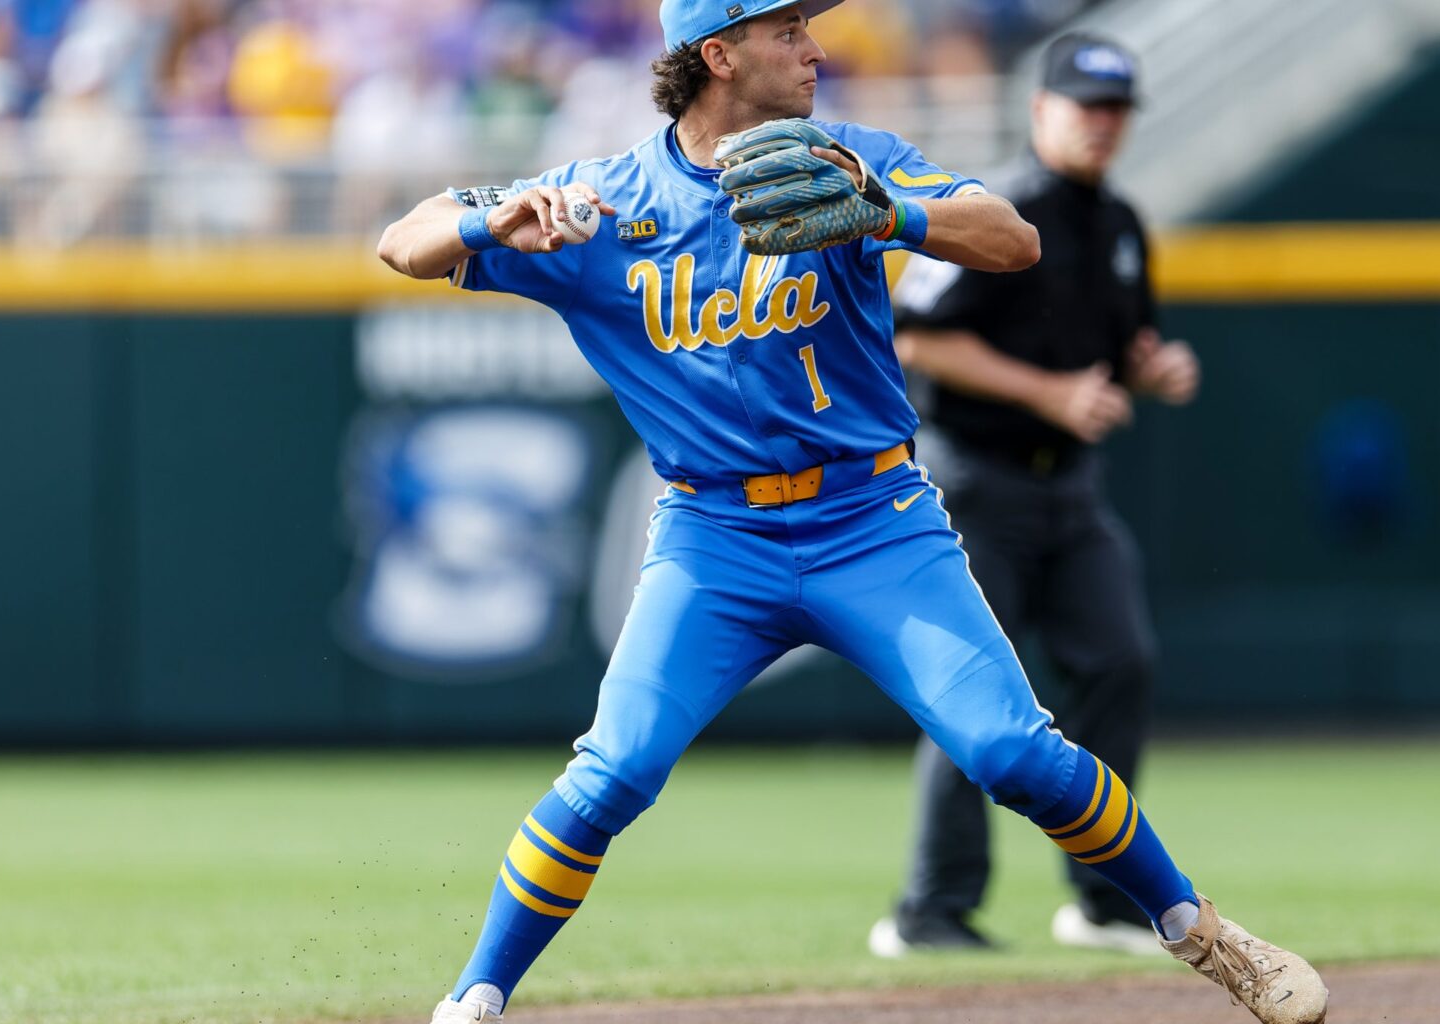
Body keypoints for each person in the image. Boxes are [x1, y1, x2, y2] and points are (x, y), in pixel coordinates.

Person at [375, 2, 1327, 1022]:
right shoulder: (605, 201)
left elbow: (1011, 239)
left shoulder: (851, 158)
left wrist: (885, 212)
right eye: (787, 30)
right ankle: (475, 997)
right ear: (718, 53)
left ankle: (1205, 935)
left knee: (1011, 751)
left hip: (873, 517)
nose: (817, 47)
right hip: (715, 538)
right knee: (615, 771)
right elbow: (402, 242)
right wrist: (492, 221)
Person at [870, 32, 1202, 960]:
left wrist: (1153, 369)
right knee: (974, 694)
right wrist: (1049, 392)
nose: (1101, 124)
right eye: (1085, 105)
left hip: (1070, 490)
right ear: (1040, 109)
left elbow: (1123, 346)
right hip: (976, 480)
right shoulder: (989, 211)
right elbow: (916, 337)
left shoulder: (1120, 223)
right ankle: (930, 911)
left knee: (1122, 660)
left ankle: (1100, 899)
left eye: (1115, 108)